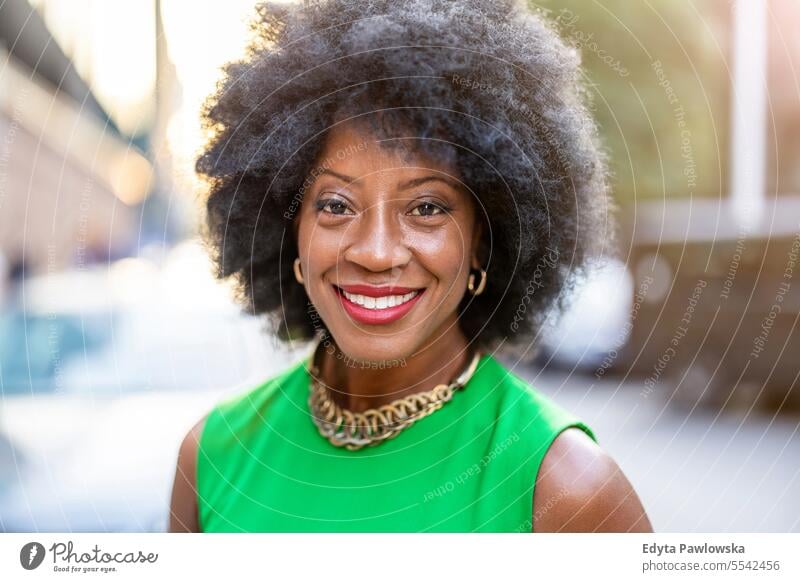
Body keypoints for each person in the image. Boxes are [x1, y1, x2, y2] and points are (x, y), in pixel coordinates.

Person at [169, 0, 652, 532]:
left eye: (426, 208)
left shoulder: (566, 489)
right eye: (334, 205)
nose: (376, 253)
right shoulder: (214, 455)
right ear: (290, 236)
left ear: (482, 243)